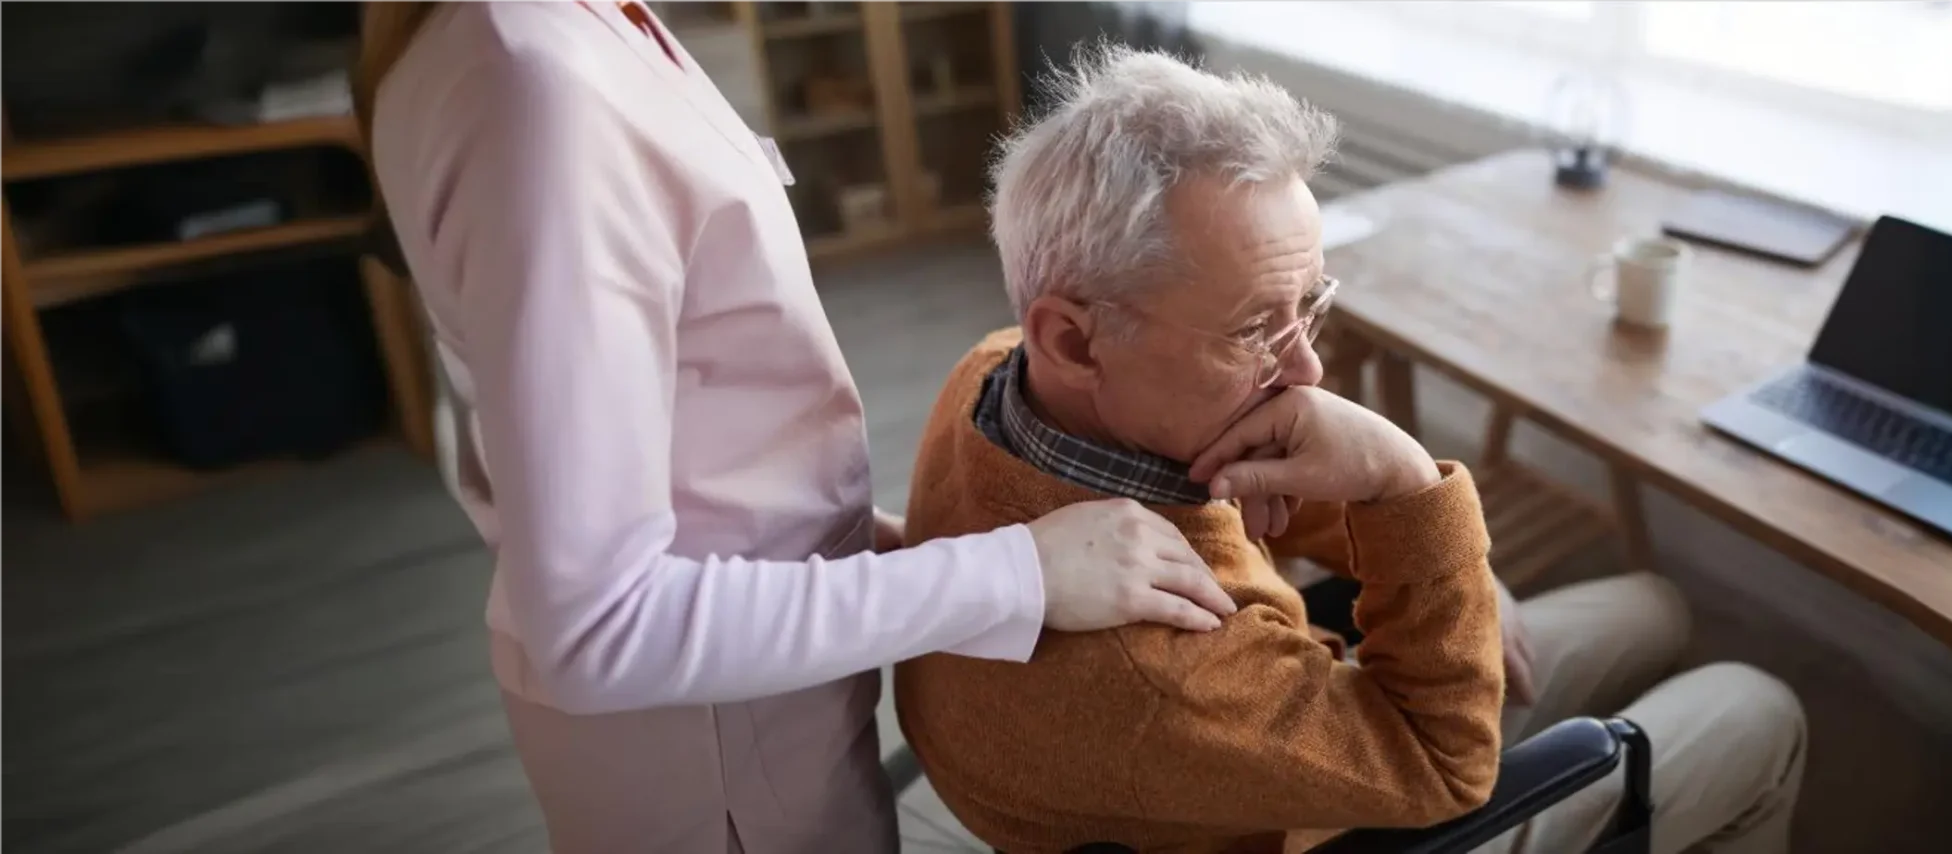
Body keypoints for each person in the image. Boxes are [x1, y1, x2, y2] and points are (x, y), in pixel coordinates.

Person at [356, 2, 1241, 851]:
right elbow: (600, 626)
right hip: (716, 765)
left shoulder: (550, 37)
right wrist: (1013, 577)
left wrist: (899, 547)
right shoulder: (535, 87)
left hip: (748, 705)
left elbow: (685, 435)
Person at [894, 46, 1809, 854]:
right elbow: (1444, 765)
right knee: (1758, 708)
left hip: (1214, 756)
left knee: (1655, 606)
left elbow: (1275, 474)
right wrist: (1409, 492)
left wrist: (1423, 556)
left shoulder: (996, 372)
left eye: (1310, 306)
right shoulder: (1156, 672)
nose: (1309, 366)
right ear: (1075, 341)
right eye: (1255, 327)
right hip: (1335, 798)